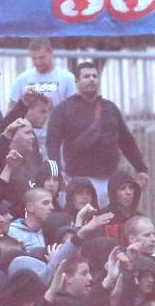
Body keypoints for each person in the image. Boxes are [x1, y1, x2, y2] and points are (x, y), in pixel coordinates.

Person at [45, 60, 149, 205]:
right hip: (78, 181)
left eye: (94, 76)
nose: (92, 79)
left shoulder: (110, 108)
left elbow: (126, 141)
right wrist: (56, 173)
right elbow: (52, 143)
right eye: (86, 76)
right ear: (77, 80)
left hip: (109, 181)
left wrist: (141, 168)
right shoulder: (63, 109)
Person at [8, 38, 77, 110]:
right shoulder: (22, 79)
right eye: (34, 58)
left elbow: (74, 110)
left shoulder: (68, 78)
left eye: (42, 58)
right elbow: (11, 109)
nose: (38, 62)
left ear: (50, 52)